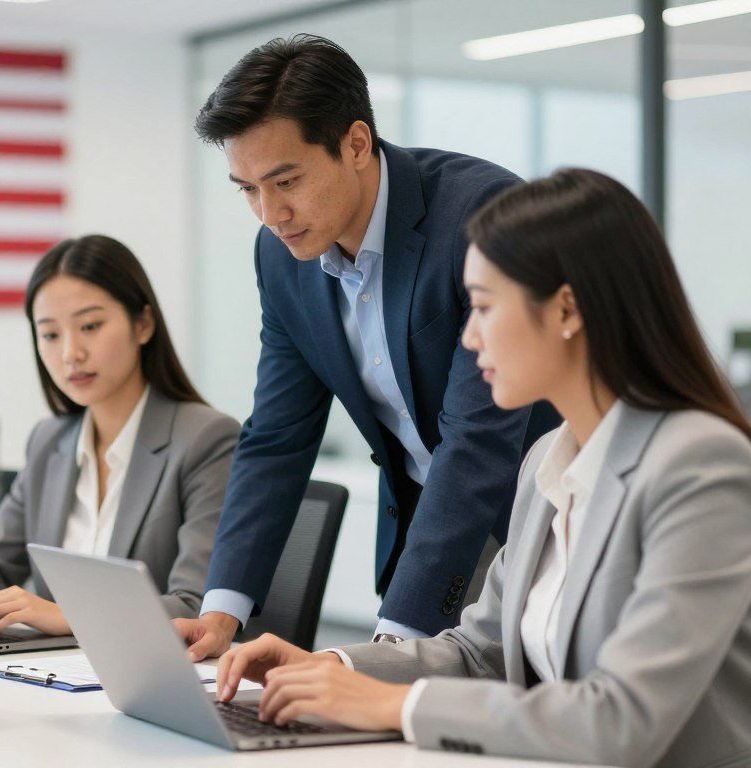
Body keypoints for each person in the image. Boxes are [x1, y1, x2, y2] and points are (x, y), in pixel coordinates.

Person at [213, 168, 751, 768]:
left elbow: (623, 720)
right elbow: (479, 652)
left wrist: (395, 708)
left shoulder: (700, 466)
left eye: (485, 307)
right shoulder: (546, 463)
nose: (468, 336)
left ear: (567, 309)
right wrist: (335, 668)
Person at [177, 34, 559, 658]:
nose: (270, 213)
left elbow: (478, 441)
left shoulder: (481, 216)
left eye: (286, 180)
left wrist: (385, 648)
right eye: (246, 189)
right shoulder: (282, 256)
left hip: (533, 518)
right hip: (421, 530)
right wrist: (221, 611)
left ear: (356, 144)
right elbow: (277, 435)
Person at [0, 235, 239, 636]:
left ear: (142, 324)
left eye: (90, 326)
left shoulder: (206, 439)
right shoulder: (49, 441)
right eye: (50, 334)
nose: (71, 353)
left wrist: (68, 616)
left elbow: (197, 607)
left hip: (155, 680)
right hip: (50, 675)